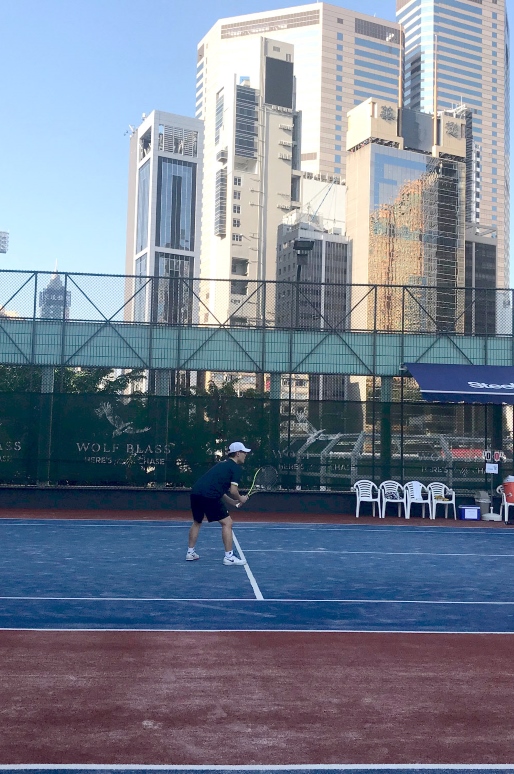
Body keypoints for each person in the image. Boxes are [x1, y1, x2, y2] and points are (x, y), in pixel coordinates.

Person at [186, 442, 250, 565]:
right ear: (237, 453)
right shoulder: (235, 468)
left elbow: (218, 489)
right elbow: (233, 491)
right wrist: (241, 498)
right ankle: (229, 557)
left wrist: (233, 502)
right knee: (227, 523)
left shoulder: (221, 465)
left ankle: (190, 552)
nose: (245, 455)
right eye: (244, 452)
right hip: (209, 496)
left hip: (196, 493)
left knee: (197, 521)